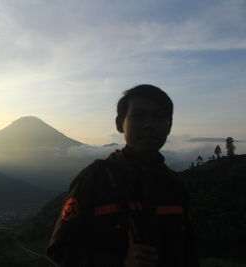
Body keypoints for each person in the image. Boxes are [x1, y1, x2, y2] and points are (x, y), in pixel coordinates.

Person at [47, 84, 199, 267]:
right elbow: (60, 250)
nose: (149, 125)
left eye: (159, 116)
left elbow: (189, 252)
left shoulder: (175, 186)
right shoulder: (94, 179)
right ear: (120, 124)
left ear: (169, 126)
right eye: (138, 116)